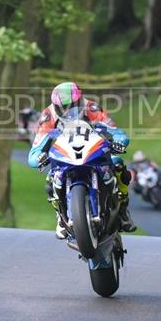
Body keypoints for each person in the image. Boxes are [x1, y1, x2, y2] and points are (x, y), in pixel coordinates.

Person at [27, 82, 136, 239]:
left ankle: (123, 207)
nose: (68, 110)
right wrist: (39, 157)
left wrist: (118, 141)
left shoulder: (92, 108)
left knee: (118, 164)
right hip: (66, 152)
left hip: (92, 149)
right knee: (52, 177)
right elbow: (36, 148)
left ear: (79, 100)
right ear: (55, 105)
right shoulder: (48, 116)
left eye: (72, 105)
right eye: (63, 107)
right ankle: (60, 216)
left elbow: (115, 131)